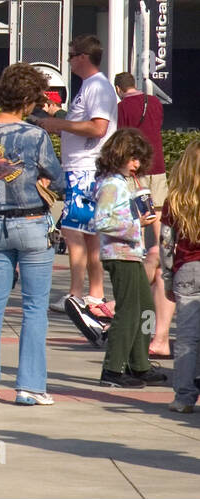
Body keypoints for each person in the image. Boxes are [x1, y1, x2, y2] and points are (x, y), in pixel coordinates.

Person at [0, 63, 65, 406]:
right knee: (34, 307)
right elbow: (58, 177)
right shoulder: (34, 135)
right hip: (31, 223)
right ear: (27, 97)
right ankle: (29, 387)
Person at [37, 35, 117, 327]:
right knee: (90, 235)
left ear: (83, 56)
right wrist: (63, 124)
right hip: (85, 168)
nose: (69, 60)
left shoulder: (97, 86)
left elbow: (98, 127)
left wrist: (59, 124)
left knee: (74, 233)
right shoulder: (93, 87)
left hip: (85, 170)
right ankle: (94, 293)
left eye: (71, 55)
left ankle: (76, 293)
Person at [91, 129, 169, 389]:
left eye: (139, 160)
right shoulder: (111, 184)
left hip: (133, 252)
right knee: (129, 311)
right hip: (119, 253)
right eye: (132, 158)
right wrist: (136, 222)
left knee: (145, 307)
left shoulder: (125, 182)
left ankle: (140, 364)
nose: (136, 164)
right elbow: (101, 221)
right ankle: (113, 368)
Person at [115, 72, 173, 358]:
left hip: (136, 164)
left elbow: (121, 136)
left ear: (118, 88)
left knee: (135, 208)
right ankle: (161, 244)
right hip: (158, 159)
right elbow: (159, 124)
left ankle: (141, 243)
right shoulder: (154, 102)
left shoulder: (121, 107)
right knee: (159, 208)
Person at [161, 139, 200, 411]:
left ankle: (183, 398)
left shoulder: (174, 200)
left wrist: (166, 278)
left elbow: (166, 244)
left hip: (187, 269)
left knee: (187, 338)